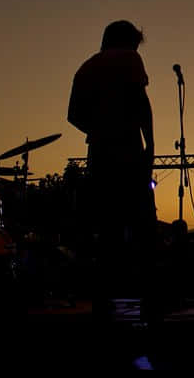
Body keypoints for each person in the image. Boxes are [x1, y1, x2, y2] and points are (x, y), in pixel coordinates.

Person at [68, 20, 159, 327]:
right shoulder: (128, 58)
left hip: (99, 151)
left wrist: (98, 129)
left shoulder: (86, 67)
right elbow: (140, 102)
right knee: (142, 221)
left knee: (108, 227)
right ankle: (149, 299)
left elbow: (73, 115)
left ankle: (105, 303)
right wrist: (149, 145)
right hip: (127, 147)